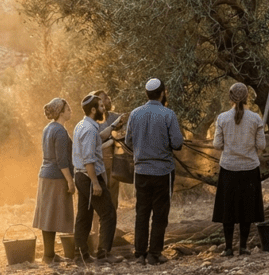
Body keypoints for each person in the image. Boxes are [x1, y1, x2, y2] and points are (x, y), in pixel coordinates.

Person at [125, 78, 184, 265]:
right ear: (163, 92)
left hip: (141, 171)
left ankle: (140, 254)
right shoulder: (168, 114)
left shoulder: (135, 114)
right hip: (163, 172)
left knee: (141, 212)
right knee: (160, 214)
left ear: (146, 94)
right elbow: (177, 143)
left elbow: (128, 142)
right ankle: (154, 253)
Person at [211, 83, 266, 257]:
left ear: (230, 98)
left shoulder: (222, 118)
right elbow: (262, 145)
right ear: (247, 97)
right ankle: (243, 247)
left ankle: (228, 248)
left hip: (228, 168)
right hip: (250, 168)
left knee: (228, 209)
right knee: (247, 208)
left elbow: (217, 144)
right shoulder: (256, 119)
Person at [72, 93, 119, 263]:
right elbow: (89, 159)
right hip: (89, 177)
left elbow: (98, 139)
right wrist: (95, 183)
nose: (103, 108)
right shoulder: (89, 130)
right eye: (100, 106)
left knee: (84, 215)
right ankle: (104, 253)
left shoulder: (82, 125)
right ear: (93, 110)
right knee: (108, 213)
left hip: (80, 176)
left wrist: (114, 125)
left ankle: (80, 255)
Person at [32, 98, 76, 264]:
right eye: (68, 109)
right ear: (61, 112)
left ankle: (48, 254)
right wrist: (70, 181)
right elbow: (61, 161)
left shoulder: (48, 128)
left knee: (48, 216)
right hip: (56, 177)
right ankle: (49, 255)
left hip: (45, 175)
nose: (70, 111)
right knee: (52, 215)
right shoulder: (60, 131)